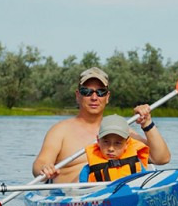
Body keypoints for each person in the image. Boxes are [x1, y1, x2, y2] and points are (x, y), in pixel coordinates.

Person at [32, 67, 170, 183]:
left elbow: (162, 158)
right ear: (78, 95)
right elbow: (39, 164)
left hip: (113, 196)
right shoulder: (60, 131)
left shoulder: (120, 130)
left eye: (100, 92)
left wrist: (147, 123)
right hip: (71, 198)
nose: (94, 97)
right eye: (87, 92)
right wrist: (45, 168)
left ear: (107, 97)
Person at [80, 114, 150, 182]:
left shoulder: (137, 164)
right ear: (98, 141)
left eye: (117, 143)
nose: (111, 149)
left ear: (127, 143)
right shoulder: (87, 171)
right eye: (106, 142)